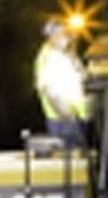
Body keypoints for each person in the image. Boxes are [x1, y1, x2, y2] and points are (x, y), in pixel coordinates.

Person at [33, 17, 90, 145]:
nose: (66, 37)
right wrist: (69, 118)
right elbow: (49, 91)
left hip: (76, 117)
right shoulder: (47, 58)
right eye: (63, 34)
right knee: (71, 161)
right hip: (63, 121)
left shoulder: (65, 55)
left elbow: (82, 78)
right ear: (52, 36)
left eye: (67, 33)